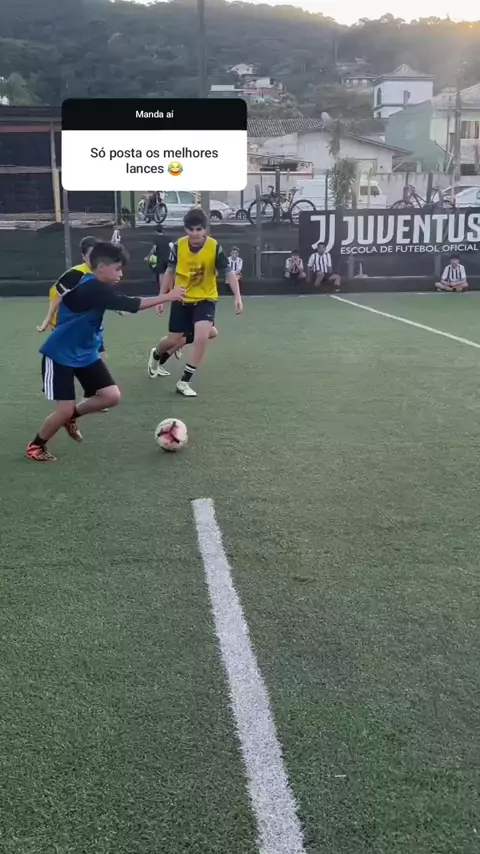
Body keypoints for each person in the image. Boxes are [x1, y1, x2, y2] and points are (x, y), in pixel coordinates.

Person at [26, 242, 185, 462]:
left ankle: (70, 417)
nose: (121, 274)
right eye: (117, 269)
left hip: (86, 354)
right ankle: (36, 446)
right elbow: (130, 304)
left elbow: (113, 304)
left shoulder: (97, 286)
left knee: (111, 396)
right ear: (101, 267)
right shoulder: (92, 288)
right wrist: (168, 296)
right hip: (61, 354)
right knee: (64, 409)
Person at [147, 207, 242, 397]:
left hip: (206, 298)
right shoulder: (178, 246)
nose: (195, 233)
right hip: (181, 298)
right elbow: (169, 272)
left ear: (205, 229)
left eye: (199, 229)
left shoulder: (214, 247)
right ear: (185, 229)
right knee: (173, 340)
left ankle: (184, 381)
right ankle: (156, 353)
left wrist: (237, 296)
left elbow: (229, 272)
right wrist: (161, 297)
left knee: (202, 337)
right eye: (191, 229)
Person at [37, 236, 99, 334]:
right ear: (83, 257)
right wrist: (48, 319)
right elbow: (58, 296)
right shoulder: (76, 273)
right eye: (90, 256)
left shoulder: (100, 271)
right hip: (64, 320)